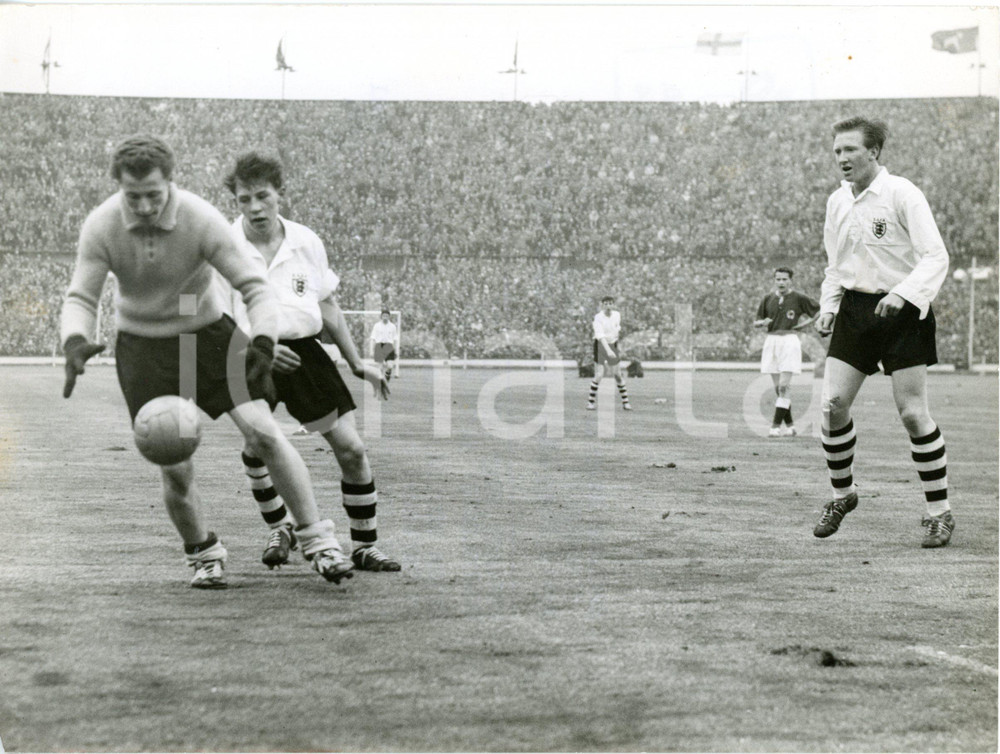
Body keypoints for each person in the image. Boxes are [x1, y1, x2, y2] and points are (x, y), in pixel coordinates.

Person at [60, 135, 355, 589]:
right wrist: (75, 339)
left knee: (263, 431)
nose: (142, 206)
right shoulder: (101, 225)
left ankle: (319, 540)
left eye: (153, 195)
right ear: (117, 186)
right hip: (144, 348)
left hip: (208, 336)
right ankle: (204, 553)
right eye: (132, 196)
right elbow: (82, 294)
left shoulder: (199, 219)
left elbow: (253, 285)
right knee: (174, 461)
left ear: (171, 183)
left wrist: (261, 340)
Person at [223, 151, 401, 573]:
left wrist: (357, 363)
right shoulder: (223, 245)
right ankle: (280, 526)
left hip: (304, 354)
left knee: (352, 449)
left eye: (262, 196)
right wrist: (253, 348)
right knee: (259, 445)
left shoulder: (306, 241)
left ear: (280, 194)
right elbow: (209, 313)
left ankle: (364, 547)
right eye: (244, 199)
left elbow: (329, 306)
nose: (254, 208)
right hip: (246, 355)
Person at [812, 117, 953, 548]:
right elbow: (836, 265)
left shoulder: (902, 194)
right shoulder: (838, 201)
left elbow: (936, 257)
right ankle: (842, 496)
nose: (842, 158)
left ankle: (939, 513)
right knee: (833, 405)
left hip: (904, 311)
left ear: (873, 152)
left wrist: (904, 294)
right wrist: (829, 306)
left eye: (850, 150)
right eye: (837, 151)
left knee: (912, 414)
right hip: (856, 309)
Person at [752, 267, 820, 437]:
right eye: (778, 279)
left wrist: (804, 325)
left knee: (784, 386)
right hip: (771, 341)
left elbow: (818, 311)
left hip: (789, 341)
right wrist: (762, 322)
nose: (781, 282)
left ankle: (775, 427)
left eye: (784, 279)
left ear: (790, 280)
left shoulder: (798, 298)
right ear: (774, 280)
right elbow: (756, 321)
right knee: (778, 388)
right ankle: (790, 426)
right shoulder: (768, 298)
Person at [586, 295, 631, 411]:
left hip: (612, 344)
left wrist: (615, 346)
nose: (608, 306)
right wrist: (608, 350)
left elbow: (616, 331)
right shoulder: (598, 318)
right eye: (605, 304)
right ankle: (590, 403)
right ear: (602, 305)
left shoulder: (617, 315)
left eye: (610, 303)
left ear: (613, 305)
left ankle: (626, 403)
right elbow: (600, 337)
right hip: (600, 345)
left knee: (617, 375)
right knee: (599, 375)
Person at [370, 309, 399, 381]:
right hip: (379, 346)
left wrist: (396, 350)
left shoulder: (392, 326)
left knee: (390, 366)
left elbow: (395, 339)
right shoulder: (377, 325)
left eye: (387, 316)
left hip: (389, 346)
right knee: (380, 367)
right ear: (381, 316)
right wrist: (371, 350)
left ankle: (387, 373)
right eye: (384, 316)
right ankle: (381, 382)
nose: (385, 317)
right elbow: (373, 338)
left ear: (389, 317)